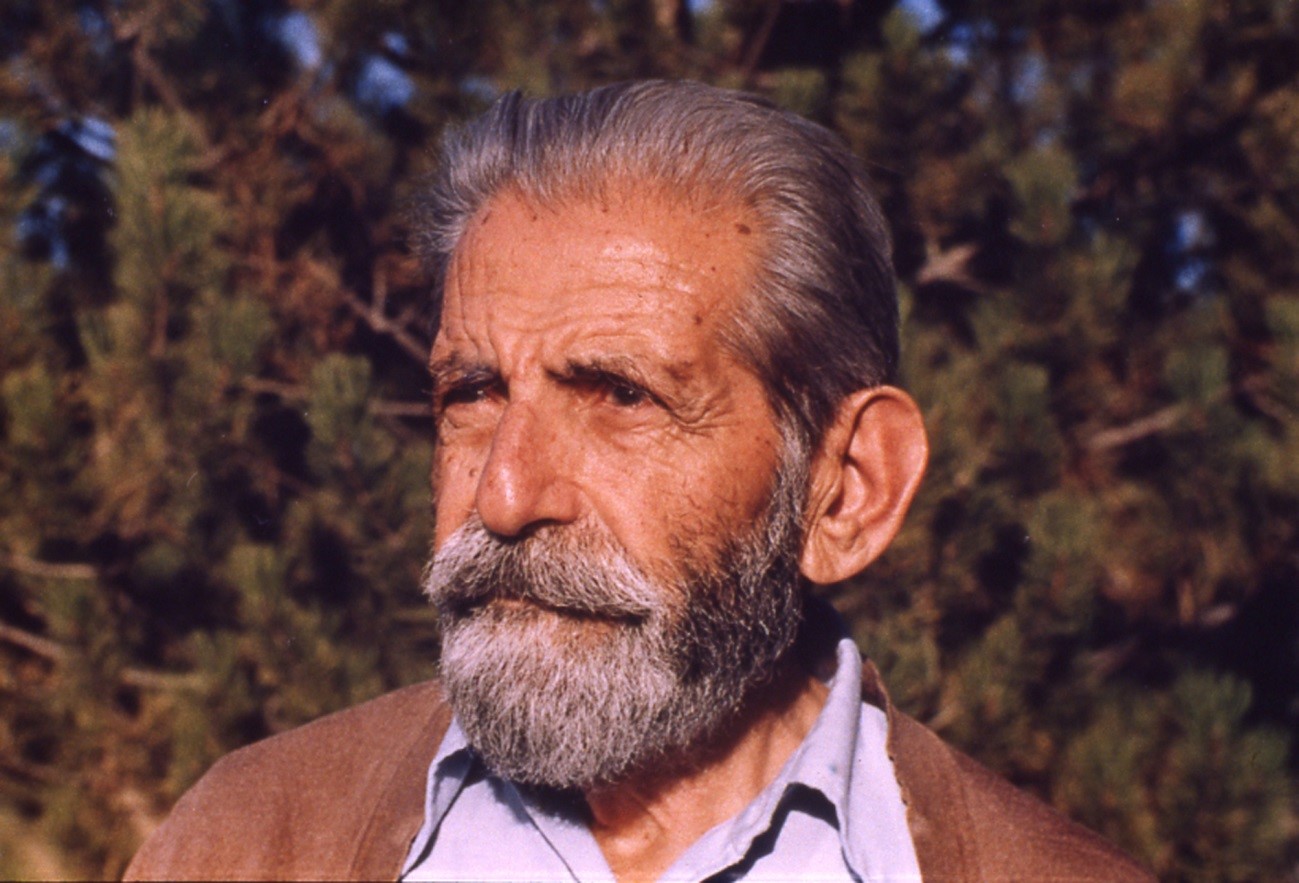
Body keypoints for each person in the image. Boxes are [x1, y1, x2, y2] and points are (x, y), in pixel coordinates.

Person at [125, 80, 1153, 882]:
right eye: (472, 393)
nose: (504, 497)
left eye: (621, 396)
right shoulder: (248, 839)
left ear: (847, 489)